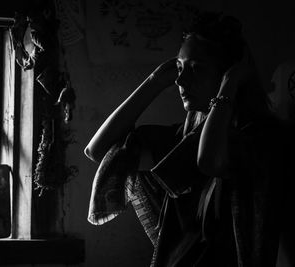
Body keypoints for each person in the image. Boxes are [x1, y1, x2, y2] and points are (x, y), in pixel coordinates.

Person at [84, 11, 288, 266]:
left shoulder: (259, 136)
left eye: (196, 69)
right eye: (179, 68)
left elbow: (209, 162)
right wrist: (154, 81)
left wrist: (231, 84)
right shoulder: (187, 137)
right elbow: (98, 150)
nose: (180, 80)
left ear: (227, 75)